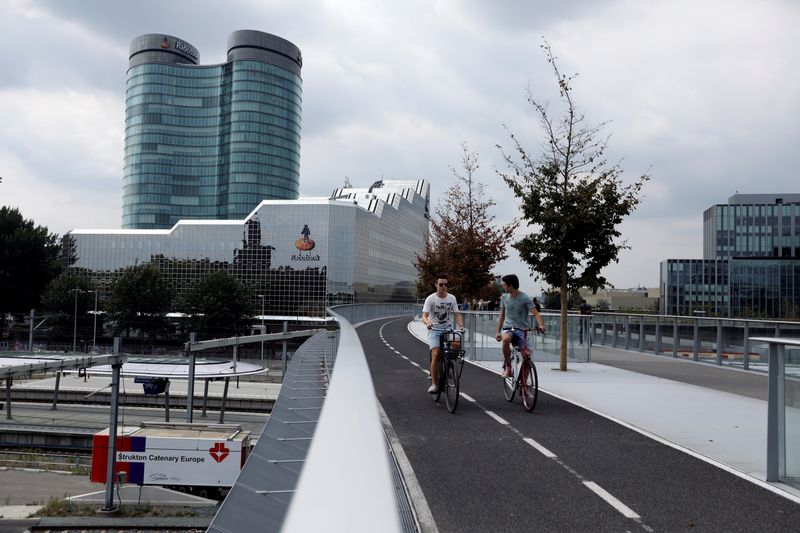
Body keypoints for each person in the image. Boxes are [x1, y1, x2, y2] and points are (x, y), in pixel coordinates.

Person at [495, 274, 545, 377]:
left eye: (504, 285)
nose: (503, 287)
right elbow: (502, 316)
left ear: (511, 285)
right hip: (508, 327)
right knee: (506, 339)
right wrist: (498, 332)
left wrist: (541, 325)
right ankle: (508, 366)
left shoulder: (525, 298)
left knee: (527, 356)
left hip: (522, 329)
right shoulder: (504, 297)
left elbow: (536, 313)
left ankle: (524, 386)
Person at [422, 275, 464, 394]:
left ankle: (450, 366)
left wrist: (460, 325)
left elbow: (457, 314)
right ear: (436, 285)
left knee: (456, 344)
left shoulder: (452, 298)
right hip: (434, 329)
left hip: (448, 329)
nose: (444, 286)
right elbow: (424, 316)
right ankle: (434, 384)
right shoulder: (430, 299)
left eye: (446, 284)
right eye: (441, 284)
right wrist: (428, 323)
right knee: (436, 354)